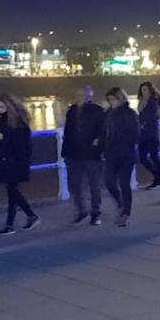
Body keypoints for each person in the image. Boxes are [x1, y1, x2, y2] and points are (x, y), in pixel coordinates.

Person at [0, 94, 38, 235]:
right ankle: (31, 216)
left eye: (1, 106)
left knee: (12, 191)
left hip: (16, 161)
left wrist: (2, 138)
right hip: (6, 160)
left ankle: (10, 225)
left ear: (9, 107)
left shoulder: (19, 123)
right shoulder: (2, 121)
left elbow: (21, 144)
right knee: (13, 191)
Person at [62, 86, 105, 225]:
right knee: (75, 184)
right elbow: (67, 133)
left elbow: (103, 130)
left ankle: (95, 213)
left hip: (92, 154)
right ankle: (82, 210)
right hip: (74, 154)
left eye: (83, 95)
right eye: (78, 94)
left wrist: (98, 142)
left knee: (94, 185)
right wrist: (65, 152)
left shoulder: (97, 111)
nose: (79, 97)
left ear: (90, 97)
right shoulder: (72, 111)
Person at [102, 87, 140, 226]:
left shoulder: (129, 114)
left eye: (113, 99)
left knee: (124, 183)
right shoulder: (108, 114)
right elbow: (103, 132)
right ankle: (120, 203)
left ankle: (126, 212)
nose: (111, 102)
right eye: (109, 99)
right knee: (109, 182)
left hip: (125, 154)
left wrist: (125, 143)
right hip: (110, 153)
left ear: (120, 98)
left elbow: (135, 134)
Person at [136, 81, 160, 189]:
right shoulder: (142, 101)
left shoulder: (154, 101)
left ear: (150, 90)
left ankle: (158, 179)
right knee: (142, 157)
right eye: (142, 90)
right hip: (143, 134)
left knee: (154, 156)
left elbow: (152, 115)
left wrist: (142, 120)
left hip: (152, 132)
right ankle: (157, 177)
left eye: (146, 90)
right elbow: (140, 114)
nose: (144, 92)